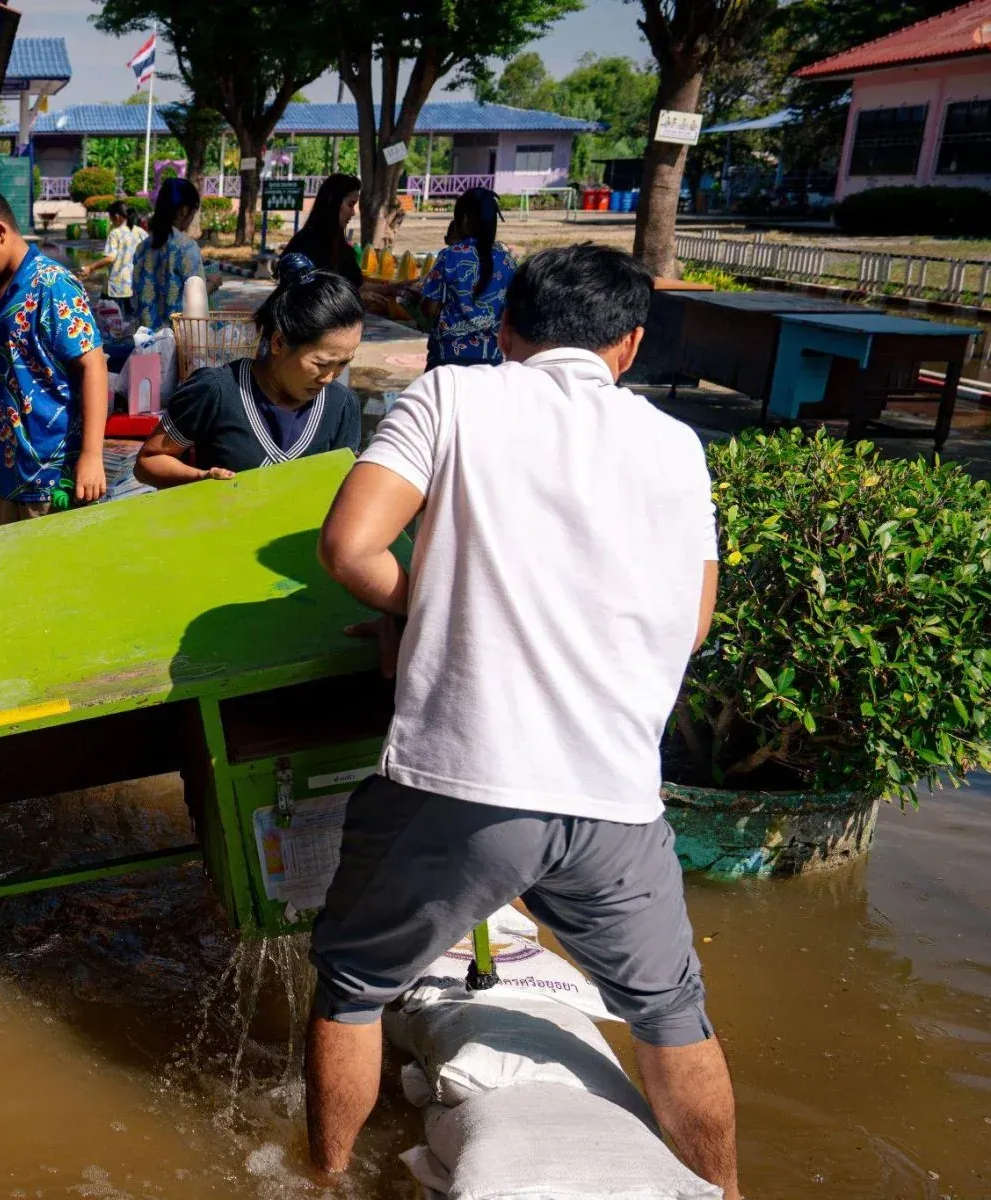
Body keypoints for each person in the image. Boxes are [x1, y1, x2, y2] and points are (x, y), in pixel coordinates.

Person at [304, 244, 737, 1198]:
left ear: (506, 329)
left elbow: (347, 545)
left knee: (352, 986)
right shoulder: (678, 443)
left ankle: (324, 1181)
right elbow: (692, 619)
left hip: (460, 785)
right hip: (619, 801)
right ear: (626, 346)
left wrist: (431, 604)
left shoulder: (454, 395)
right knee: (672, 1017)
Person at [0, 184, 110, 523]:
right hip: (8, 479)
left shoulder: (51, 284)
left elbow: (93, 365)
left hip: (52, 481)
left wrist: (92, 455)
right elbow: (2, 384)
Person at [135, 253, 362, 488]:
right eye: (321, 364)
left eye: (343, 363)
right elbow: (148, 461)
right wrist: (200, 478)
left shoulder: (341, 406)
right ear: (278, 343)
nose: (329, 377)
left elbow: (345, 490)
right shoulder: (216, 391)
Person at [410, 187, 517, 370]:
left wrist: (415, 301)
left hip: (447, 359)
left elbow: (430, 309)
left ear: (464, 220)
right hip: (492, 361)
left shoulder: (450, 256)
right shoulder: (508, 262)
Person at [130, 177, 219, 332]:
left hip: (145, 343)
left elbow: (137, 298)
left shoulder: (142, 248)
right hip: (177, 345)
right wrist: (214, 284)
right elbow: (195, 303)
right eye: (193, 213)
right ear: (184, 210)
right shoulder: (186, 247)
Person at [282, 174, 364, 288]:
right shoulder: (305, 243)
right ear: (333, 202)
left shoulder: (341, 248)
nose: (353, 213)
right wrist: (357, 296)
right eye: (350, 205)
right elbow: (311, 293)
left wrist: (388, 289)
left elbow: (357, 285)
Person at [88, 201, 146, 318]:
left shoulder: (115, 233)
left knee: (111, 322)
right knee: (131, 321)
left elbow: (110, 258)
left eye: (111, 218)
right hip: (134, 285)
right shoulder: (140, 232)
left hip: (116, 288)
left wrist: (90, 267)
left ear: (117, 217)